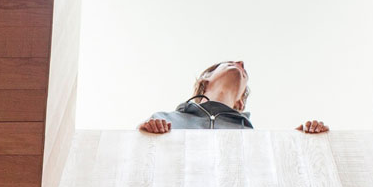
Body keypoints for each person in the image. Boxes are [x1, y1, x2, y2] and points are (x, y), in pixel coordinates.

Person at [138, 58, 328, 136]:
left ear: (240, 101)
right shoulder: (165, 120)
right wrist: (146, 134)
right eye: (229, 63)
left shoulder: (251, 136)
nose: (240, 62)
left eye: (244, 71)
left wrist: (303, 140)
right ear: (205, 77)